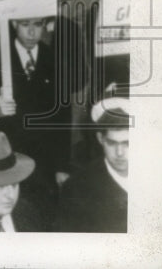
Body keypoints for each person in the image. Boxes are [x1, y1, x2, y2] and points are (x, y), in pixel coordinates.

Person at [0, 17, 73, 200]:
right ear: (14, 24)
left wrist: (62, 166)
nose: (31, 32)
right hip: (6, 162)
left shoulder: (53, 60)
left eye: (37, 25)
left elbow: (63, 117)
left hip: (43, 163)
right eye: (25, 24)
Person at [56, 97, 129, 232]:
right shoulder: (76, 189)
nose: (119, 153)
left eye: (127, 143)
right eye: (112, 143)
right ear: (100, 139)